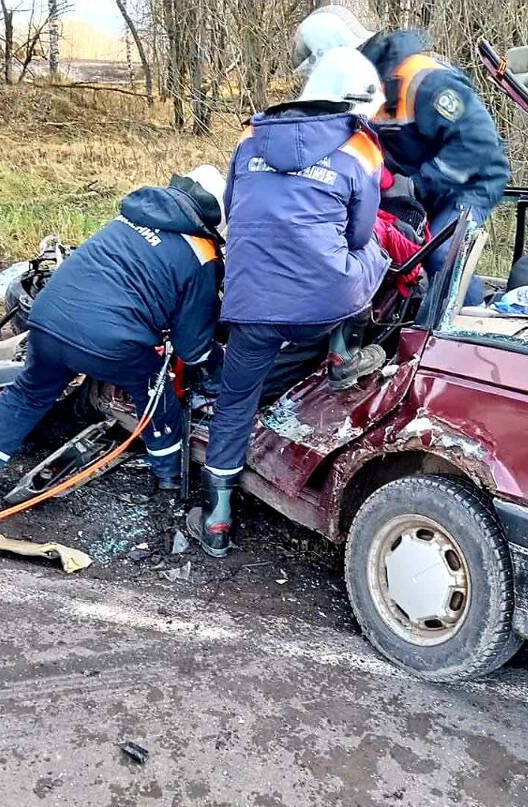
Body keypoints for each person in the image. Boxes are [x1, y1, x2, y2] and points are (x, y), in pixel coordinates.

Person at [187, 48, 390, 559]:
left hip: (249, 305)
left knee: (235, 403)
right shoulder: (361, 147)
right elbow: (361, 230)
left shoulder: (249, 138)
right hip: (324, 304)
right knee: (373, 251)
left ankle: (217, 519)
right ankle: (343, 353)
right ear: (355, 102)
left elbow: (235, 210)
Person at [0, 166, 227, 501]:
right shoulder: (202, 254)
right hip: (113, 341)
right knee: (155, 397)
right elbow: (192, 345)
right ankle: (168, 478)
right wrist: (218, 364)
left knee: (29, 392)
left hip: (49, 319)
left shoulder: (127, 221)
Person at [292, 5, 510, 305]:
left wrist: (415, 185)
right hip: (413, 190)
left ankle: (471, 326)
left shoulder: (423, 80)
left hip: (470, 184)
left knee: (443, 256)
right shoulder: (356, 88)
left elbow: (477, 148)